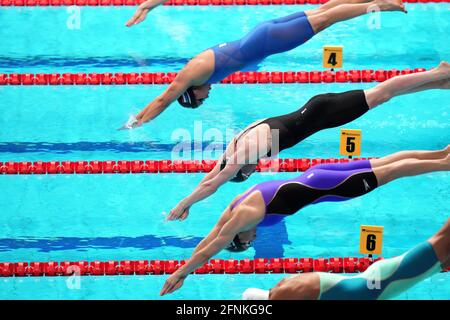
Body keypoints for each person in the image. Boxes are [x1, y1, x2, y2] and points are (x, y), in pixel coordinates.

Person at [167, 62, 450, 221]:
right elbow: (215, 172)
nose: (256, 170)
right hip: (317, 110)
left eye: (249, 171)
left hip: (322, 113)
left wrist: (186, 203)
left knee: (381, 93)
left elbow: (214, 182)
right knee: (381, 95)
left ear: (244, 168)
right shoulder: (236, 147)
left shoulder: (245, 153)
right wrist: (194, 195)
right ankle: (440, 82)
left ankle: (438, 73)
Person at [159, 147, 450, 296]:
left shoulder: (244, 218)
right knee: (382, 163)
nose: (254, 240)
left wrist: (182, 273)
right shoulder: (234, 209)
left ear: (238, 236)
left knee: (391, 172)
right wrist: (187, 206)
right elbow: (210, 239)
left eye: (247, 243)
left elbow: (210, 249)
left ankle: (444, 162)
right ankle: (442, 153)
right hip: (317, 175)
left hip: (329, 188)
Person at [122, 0, 407, 128]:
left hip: (271, 40)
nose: (206, 97)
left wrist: (138, 121)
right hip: (265, 32)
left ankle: (383, 5)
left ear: (192, 92)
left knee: (326, 19)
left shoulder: (193, 74)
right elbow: (165, 97)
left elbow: (164, 98)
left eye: (200, 100)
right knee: (324, 11)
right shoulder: (205, 75)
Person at [243, 218, 450, 300]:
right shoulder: (283, 286)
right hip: (376, 282)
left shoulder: (285, 294)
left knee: (442, 242)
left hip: (382, 282)